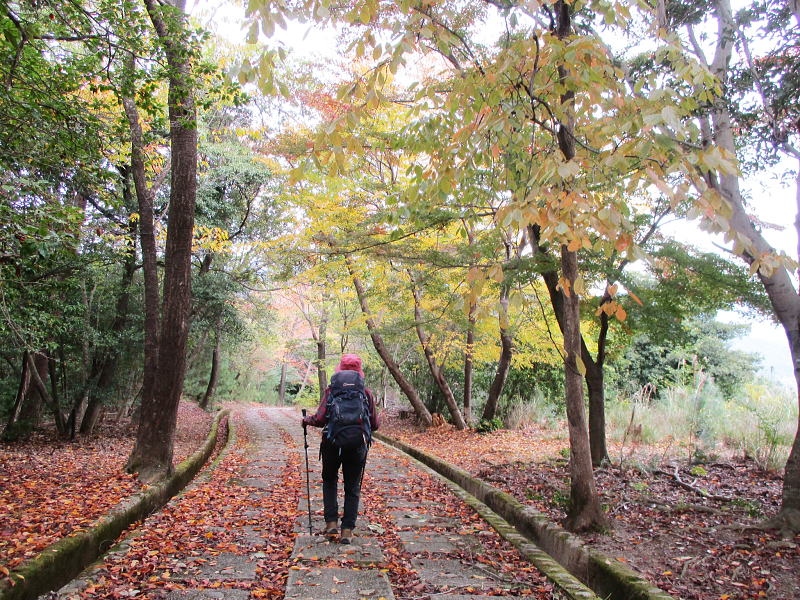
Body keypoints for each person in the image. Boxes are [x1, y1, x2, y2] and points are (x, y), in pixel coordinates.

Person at [301, 353, 379, 544]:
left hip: (331, 444)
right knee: (352, 487)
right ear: (359, 371)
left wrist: (305, 420)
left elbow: (320, 419)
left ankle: (331, 524)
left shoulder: (332, 391)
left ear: (340, 369)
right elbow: (375, 424)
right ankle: (347, 530)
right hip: (357, 445)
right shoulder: (365, 393)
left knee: (329, 480)